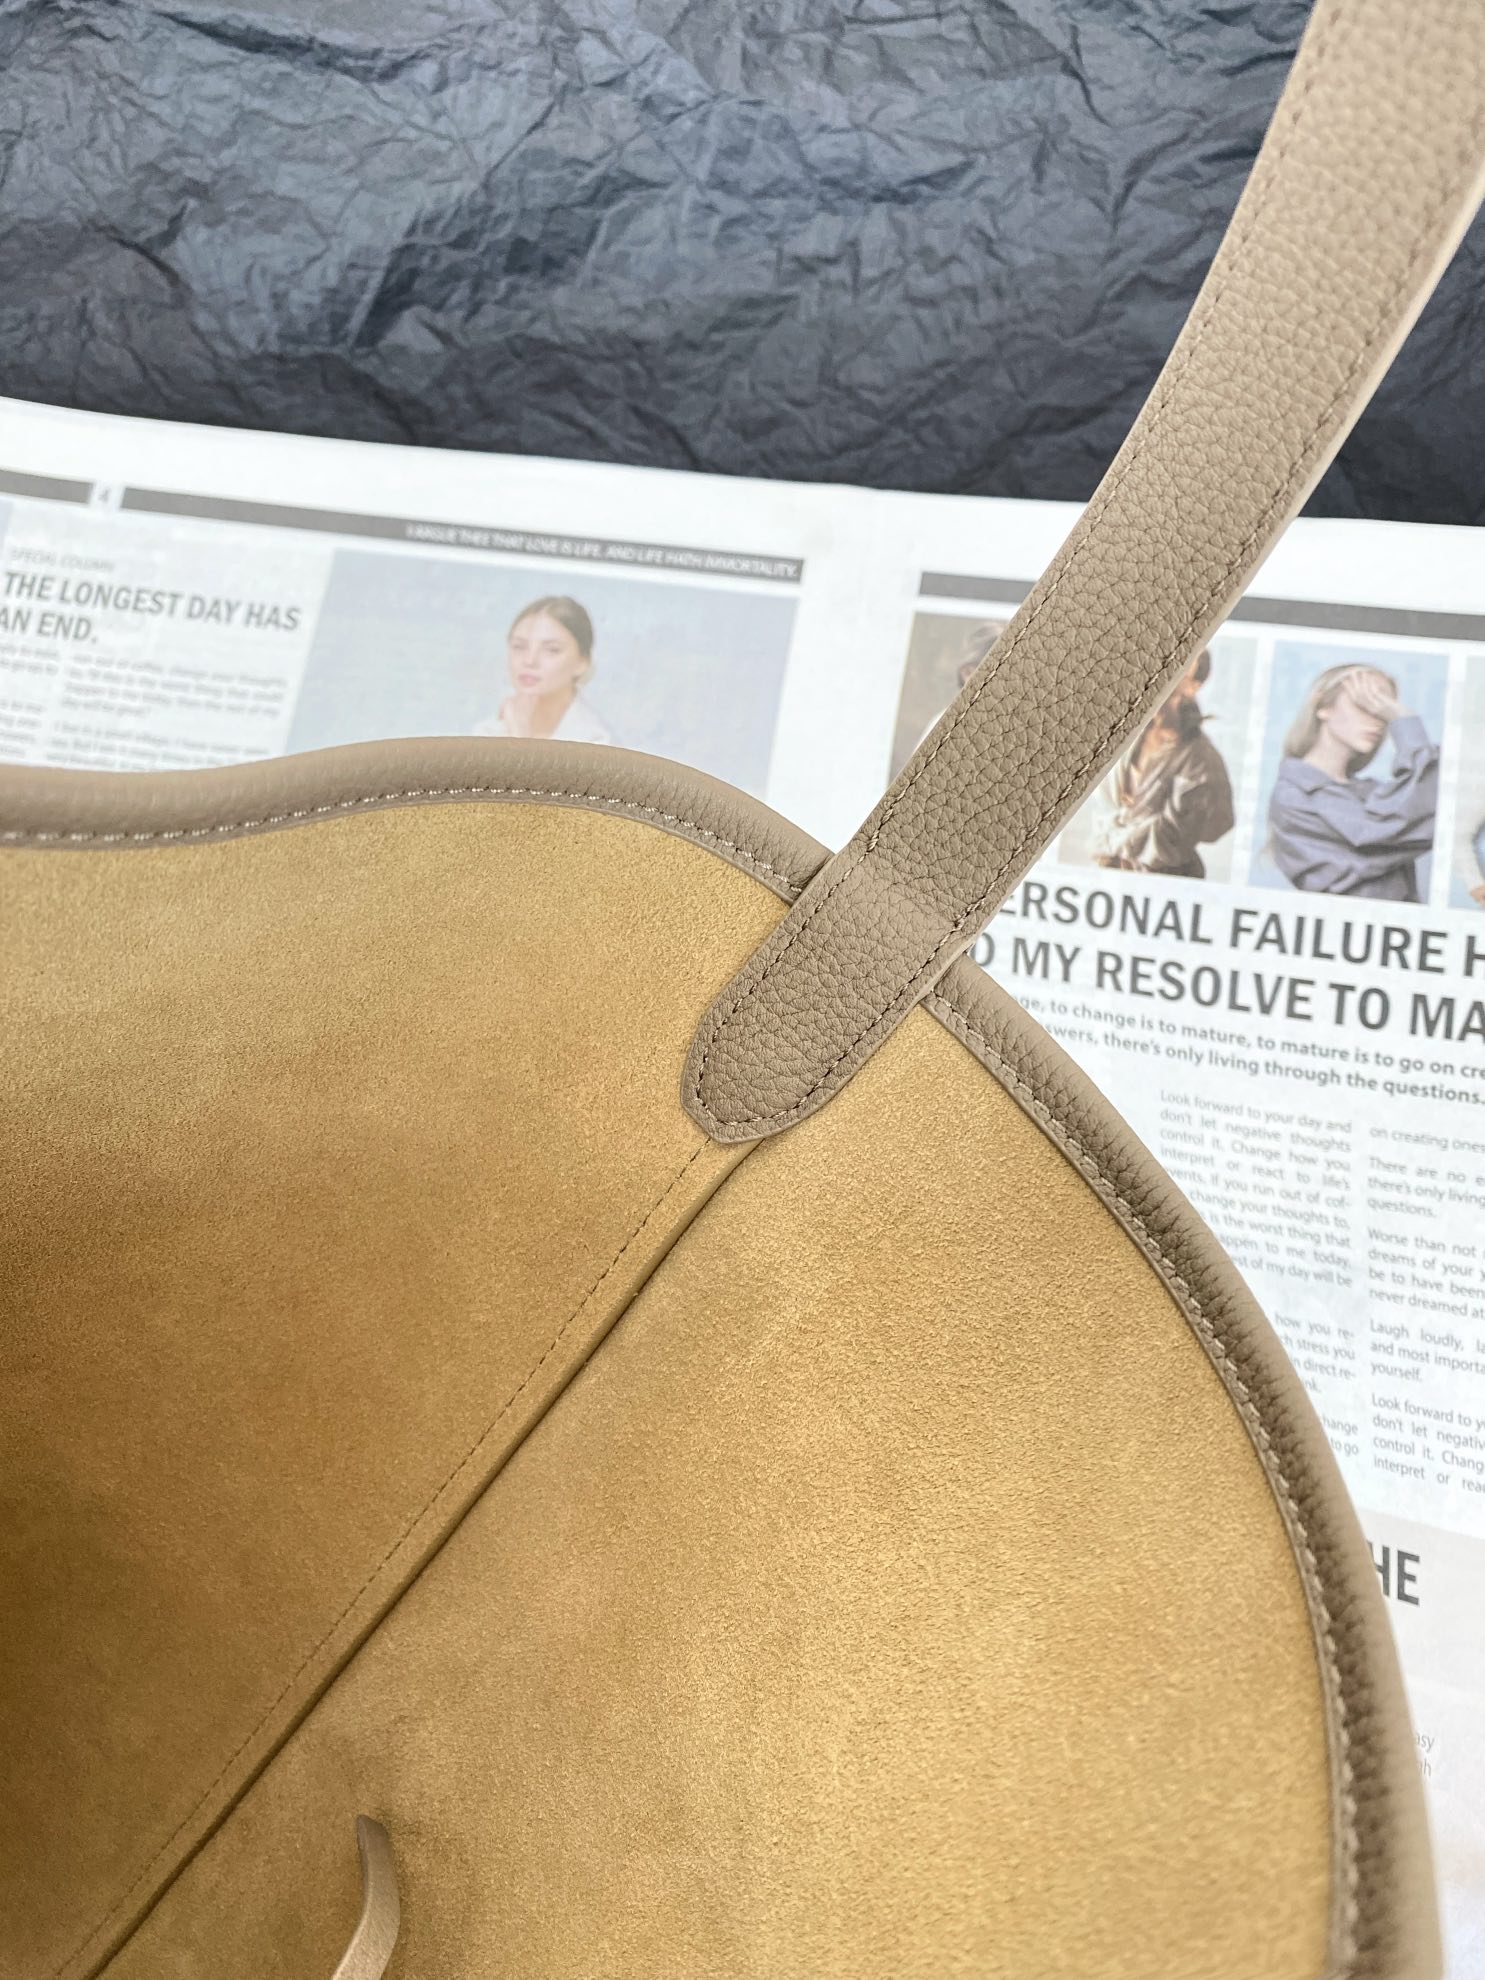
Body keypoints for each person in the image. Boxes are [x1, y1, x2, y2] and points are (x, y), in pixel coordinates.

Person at [1267, 663, 1438, 902]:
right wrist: (1405, 721)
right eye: (1365, 703)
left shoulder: (1372, 793)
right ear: (1323, 707)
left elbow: (1433, 812)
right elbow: (1389, 831)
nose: (1378, 720)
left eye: (1384, 711)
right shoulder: (1294, 794)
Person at [1089, 649, 1234, 878]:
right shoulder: (1124, 735)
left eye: (1180, 669)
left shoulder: (1200, 757)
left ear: (1193, 687)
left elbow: (1199, 829)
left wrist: (1118, 842)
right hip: (1108, 874)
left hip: (1166, 879)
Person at [474, 595, 611, 743]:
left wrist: (519, 737)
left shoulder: (597, 741)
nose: (529, 661)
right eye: (519, 647)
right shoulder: (487, 732)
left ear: (582, 662)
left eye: (552, 650)